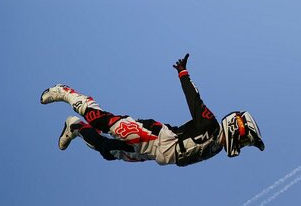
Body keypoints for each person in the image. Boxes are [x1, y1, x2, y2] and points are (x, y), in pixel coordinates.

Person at [40, 54, 264, 166]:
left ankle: (76, 126)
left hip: (152, 155)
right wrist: (183, 73)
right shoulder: (210, 125)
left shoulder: (215, 149)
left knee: (106, 150)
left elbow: (183, 160)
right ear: (237, 127)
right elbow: (195, 101)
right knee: (101, 122)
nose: (241, 145)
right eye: (245, 139)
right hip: (155, 137)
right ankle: (66, 91)